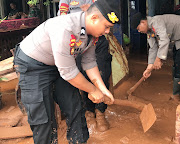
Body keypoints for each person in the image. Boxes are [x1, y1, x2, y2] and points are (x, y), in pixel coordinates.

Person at [13, 0, 120, 143]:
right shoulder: (66, 28)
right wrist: (92, 90)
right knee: (43, 118)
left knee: (74, 106)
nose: (107, 31)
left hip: (59, 65)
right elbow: (68, 73)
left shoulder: (93, 35)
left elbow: (89, 62)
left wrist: (102, 89)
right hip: (33, 65)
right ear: (94, 18)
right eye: (106, 27)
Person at [57, 0, 112, 132]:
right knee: (80, 74)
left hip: (97, 38)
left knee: (102, 71)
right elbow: (62, 18)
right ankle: (89, 110)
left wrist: (93, 11)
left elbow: (105, 14)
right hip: (75, 39)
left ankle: (100, 112)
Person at [131, 13, 180, 100]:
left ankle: (177, 94)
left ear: (143, 22)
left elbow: (164, 40)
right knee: (176, 60)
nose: (139, 31)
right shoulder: (149, 31)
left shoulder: (156, 22)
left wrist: (158, 59)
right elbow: (153, 48)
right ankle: (177, 88)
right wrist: (148, 68)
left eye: (138, 28)